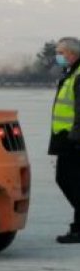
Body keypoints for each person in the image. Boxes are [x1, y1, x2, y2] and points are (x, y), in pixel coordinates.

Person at [48, 36, 80, 244]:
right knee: (72, 182)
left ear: (72, 53)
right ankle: (77, 229)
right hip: (65, 137)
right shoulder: (71, 73)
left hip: (73, 140)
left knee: (70, 181)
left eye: (61, 53)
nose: (58, 56)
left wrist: (75, 138)